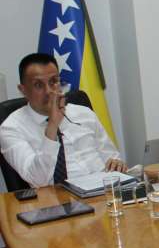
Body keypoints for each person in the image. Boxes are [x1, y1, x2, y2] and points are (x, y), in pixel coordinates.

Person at [1, 52, 125, 188]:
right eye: (38, 85)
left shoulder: (83, 113)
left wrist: (116, 163)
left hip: (104, 190)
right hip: (56, 198)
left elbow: (112, 158)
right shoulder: (11, 128)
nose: (49, 91)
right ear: (23, 90)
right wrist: (52, 125)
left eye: (53, 81)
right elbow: (38, 180)